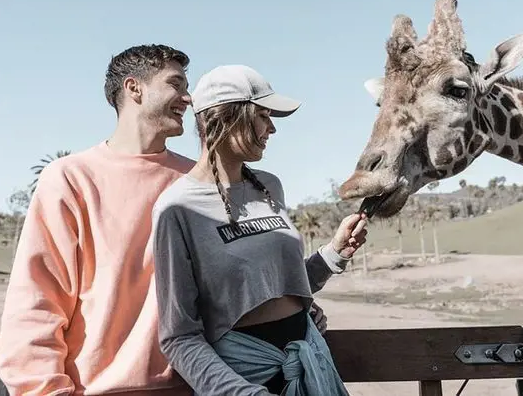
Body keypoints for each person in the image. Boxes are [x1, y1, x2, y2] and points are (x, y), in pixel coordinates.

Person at [152, 64, 368, 395]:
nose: (272, 129)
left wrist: (334, 253)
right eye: (263, 116)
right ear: (224, 118)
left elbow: (276, 287)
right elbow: (179, 336)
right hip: (244, 380)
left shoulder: (270, 187)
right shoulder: (178, 208)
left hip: (309, 367)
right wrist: (241, 393)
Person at [0, 44, 197, 395]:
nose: (187, 98)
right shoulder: (70, 178)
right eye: (176, 84)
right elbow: (36, 301)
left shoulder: (197, 181)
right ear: (134, 88)